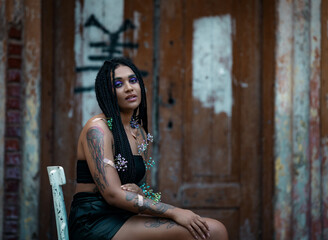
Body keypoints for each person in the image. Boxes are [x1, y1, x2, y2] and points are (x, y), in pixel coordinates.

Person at [68, 57, 229, 240]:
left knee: (213, 230)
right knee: (213, 231)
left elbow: (139, 187)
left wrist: (140, 192)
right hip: (94, 223)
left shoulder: (139, 132)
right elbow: (112, 194)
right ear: (107, 92)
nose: (129, 87)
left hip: (124, 216)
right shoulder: (97, 130)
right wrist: (175, 211)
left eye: (133, 80)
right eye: (119, 84)